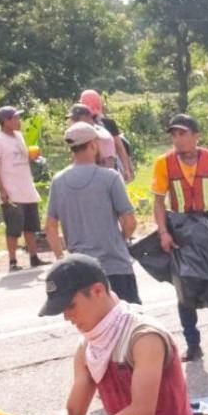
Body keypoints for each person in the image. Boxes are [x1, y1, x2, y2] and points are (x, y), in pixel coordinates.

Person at [28, 254, 208, 415]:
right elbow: (74, 414)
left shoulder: (143, 337)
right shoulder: (88, 347)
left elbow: (141, 413)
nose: (67, 317)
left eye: (70, 306)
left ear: (98, 290)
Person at [151, 114, 208, 365]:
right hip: (181, 231)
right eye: (174, 135)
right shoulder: (163, 163)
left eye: (182, 134)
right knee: (185, 290)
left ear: (196, 135)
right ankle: (193, 345)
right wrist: (163, 232)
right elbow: (158, 202)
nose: (177, 139)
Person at [46, 122, 143, 300]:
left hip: (80, 271)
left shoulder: (58, 181)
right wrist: (119, 240)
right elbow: (129, 221)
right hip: (115, 265)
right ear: (93, 145)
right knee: (128, 320)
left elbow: (50, 227)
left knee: (95, 324)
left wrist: (61, 258)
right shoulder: (110, 178)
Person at [0, 105, 44, 271]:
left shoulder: (18, 136)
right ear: (6, 121)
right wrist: (2, 189)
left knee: (31, 226)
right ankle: (13, 261)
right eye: (16, 118)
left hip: (26, 186)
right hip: (11, 189)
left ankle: (34, 257)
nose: (19, 121)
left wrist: (32, 156)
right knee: (13, 228)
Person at [80, 90, 135, 182]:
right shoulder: (107, 123)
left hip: (93, 171)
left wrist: (126, 168)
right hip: (106, 170)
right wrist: (126, 169)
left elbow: (119, 147)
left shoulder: (80, 126)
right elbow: (120, 148)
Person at [67, 102, 124, 177]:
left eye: (76, 119)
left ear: (86, 118)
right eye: (73, 119)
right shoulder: (81, 134)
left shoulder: (100, 135)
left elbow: (108, 164)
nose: (72, 122)